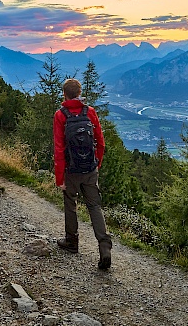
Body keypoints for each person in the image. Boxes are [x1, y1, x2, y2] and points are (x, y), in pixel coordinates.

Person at [53, 78, 112, 270]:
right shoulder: (90, 112)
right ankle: (104, 248)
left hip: (71, 170)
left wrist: (60, 178)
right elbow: (100, 142)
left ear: (64, 94)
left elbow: (59, 149)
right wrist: (97, 164)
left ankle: (72, 242)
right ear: (79, 94)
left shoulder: (61, 115)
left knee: (70, 204)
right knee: (94, 206)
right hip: (90, 168)